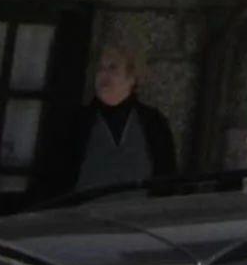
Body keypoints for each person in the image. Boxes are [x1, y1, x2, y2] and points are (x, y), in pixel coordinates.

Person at [63, 43, 178, 193]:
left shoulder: (153, 123)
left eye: (112, 68)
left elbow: (167, 179)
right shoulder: (78, 123)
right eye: (100, 69)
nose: (104, 75)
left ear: (131, 77)